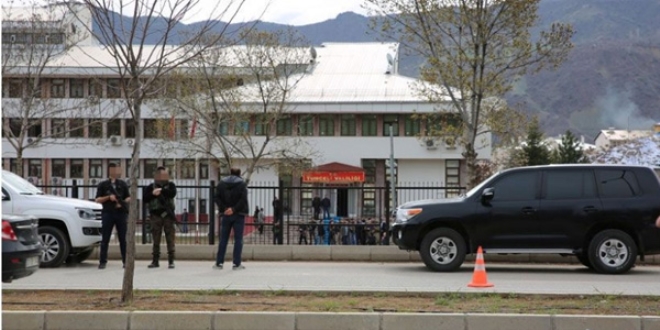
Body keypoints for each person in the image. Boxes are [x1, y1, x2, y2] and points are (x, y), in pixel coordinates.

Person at [95, 162, 130, 269]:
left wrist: (122, 202)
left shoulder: (122, 184)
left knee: (123, 239)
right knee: (105, 238)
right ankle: (102, 261)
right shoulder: (103, 185)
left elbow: (129, 197)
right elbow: (97, 199)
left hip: (120, 213)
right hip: (108, 213)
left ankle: (125, 261)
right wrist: (108, 198)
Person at [214, 168, 248, 270]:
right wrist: (234, 209)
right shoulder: (242, 184)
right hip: (238, 214)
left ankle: (219, 262)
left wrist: (225, 209)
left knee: (223, 239)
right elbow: (243, 200)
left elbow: (216, 197)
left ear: (230, 173)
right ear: (239, 174)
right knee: (238, 239)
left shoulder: (221, 184)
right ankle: (236, 263)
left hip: (225, 214)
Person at [144, 166, 178, 269]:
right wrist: (153, 193)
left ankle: (171, 261)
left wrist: (161, 191)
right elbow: (145, 198)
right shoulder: (151, 187)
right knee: (156, 239)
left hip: (168, 216)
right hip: (156, 216)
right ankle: (155, 261)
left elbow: (172, 193)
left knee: (170, 239)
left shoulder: (170, 185)